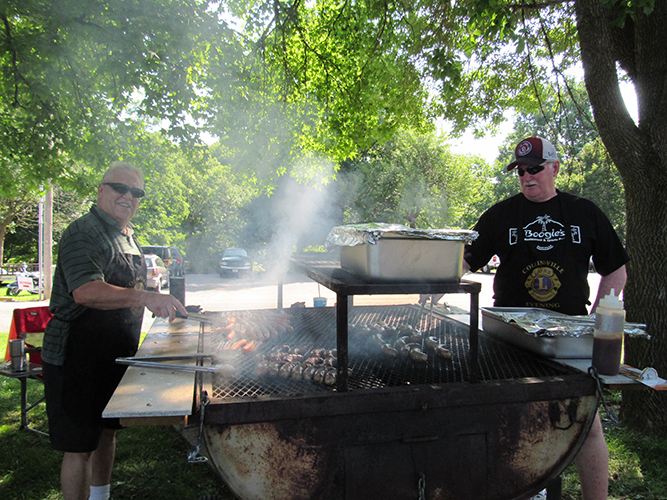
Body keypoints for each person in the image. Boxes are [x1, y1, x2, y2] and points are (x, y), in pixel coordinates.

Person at [428, 137, 629, 500]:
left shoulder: (584, 213)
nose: (526, 176)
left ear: (554, 167)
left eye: (534, 168)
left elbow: (615, 270)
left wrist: (599, 321)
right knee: (508, 422)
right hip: (509, 339)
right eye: (520, 170)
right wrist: (429, 292)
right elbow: (463, 262)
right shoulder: (501, 215)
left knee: (587, 427)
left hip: (566, 340)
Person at [41, 162, 189, 500]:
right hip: (77, 355)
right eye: (120, 188)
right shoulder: (85, 231)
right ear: (101, 190)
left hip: (112, 353)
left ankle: (101, 496)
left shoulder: (126, 235)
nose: (128, 197)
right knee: (80, 447)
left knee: (107, 432)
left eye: (136, 192)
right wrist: (146, 296)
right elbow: (85, 291)